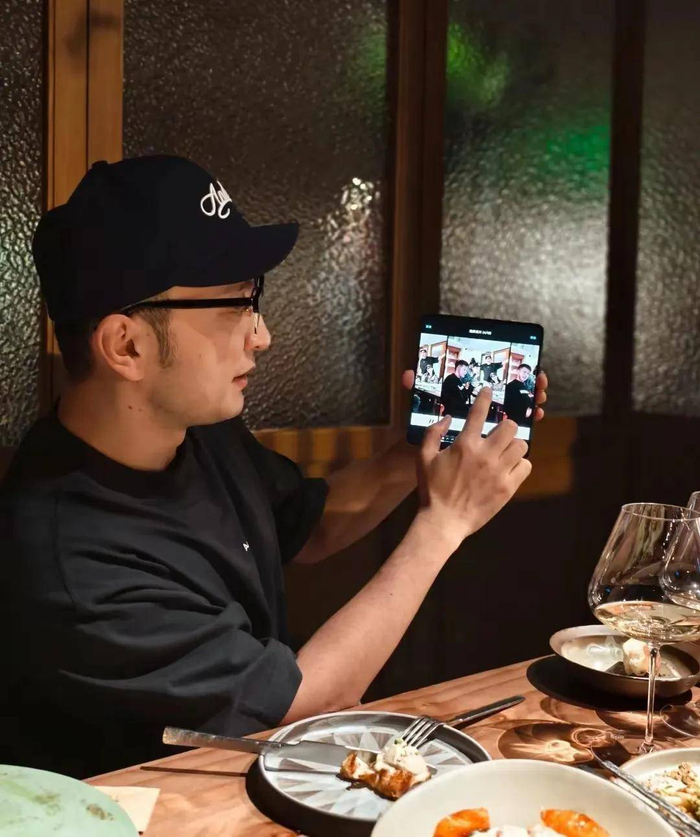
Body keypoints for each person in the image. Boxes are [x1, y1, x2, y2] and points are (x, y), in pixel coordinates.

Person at [0, 156, 547, 778]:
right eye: (235, 306)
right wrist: (443, 525)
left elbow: (309, 527)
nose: (261, 336)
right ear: (127, 345)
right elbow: (302, 704)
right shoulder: (71, 558)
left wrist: (420, 447)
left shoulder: (196, 427)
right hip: (159, 807)